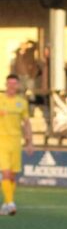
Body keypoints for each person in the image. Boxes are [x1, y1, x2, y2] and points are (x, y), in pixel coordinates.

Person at [0, 74, 34, 216]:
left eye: (14, 84)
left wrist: (29, 142)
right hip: (2, 141)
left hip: (16, 142)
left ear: (18, 85)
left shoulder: (22, 103)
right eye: (9, 83)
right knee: (6, 172)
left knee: (12, 175)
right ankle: (11, 203)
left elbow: (26, 123)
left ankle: (6, 204)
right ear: (6, 85)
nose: (12, 86)